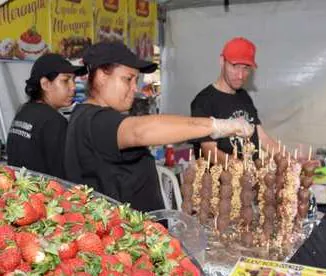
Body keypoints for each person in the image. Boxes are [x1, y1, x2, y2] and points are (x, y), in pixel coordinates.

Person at [64, 42, 253, 212]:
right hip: (123, 239)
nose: (134, 88)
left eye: (135, 80)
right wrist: (217, 125)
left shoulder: (87, 115)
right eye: (127, 79)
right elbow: (141, 131)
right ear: (101, 76)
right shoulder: (93, 119)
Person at [190, 37, 279, 163]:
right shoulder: (203, 101)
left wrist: (290, 160)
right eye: (235, 66)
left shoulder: (244, 96)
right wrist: (239, 167)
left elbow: (262, 137)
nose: (240, 75)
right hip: (222, 181)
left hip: (249, 178)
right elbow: (209, 150)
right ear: (222, 61)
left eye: (246, 68)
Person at [7, 53, 87, 178]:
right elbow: (64, 177)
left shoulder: (23, 112)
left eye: (73, 80)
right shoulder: (54, 121)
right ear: (45, 84)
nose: (73, 87)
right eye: (66, 80)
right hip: (44, 195)